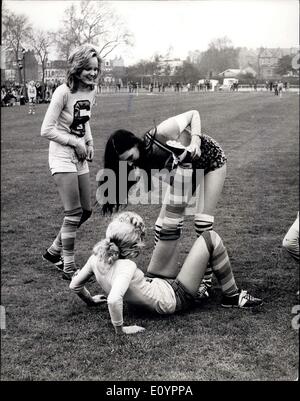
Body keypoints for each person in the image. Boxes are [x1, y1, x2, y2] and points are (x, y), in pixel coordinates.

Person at [69, 211, 263, 335]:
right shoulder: (126, 267)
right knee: (210, 238)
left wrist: (90, 300)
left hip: (153, 287)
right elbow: (113, 299)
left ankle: (181, 165)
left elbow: (75, 285)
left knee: (170, 225)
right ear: (133, 248)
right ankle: (232, 296)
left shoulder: (95, 258)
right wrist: (121, 329)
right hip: (175, 297)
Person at [100, 110, 227, 296]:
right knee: (162, 225)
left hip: (211, 162)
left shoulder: (161, 134)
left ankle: (206, 281)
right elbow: (177, 181)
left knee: (203, 223)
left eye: (129, 158)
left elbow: (194, 114)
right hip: (186, 174)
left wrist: (196, 141)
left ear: (136, 143)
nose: (129, 165)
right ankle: (164, 274)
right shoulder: (142, 163)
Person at [41, 44, 101, 280]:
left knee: (85, 211)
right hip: (61, 154)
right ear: (77, 68)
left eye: (96, 69)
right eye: (88, 69)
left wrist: (89, 143)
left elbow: (84, 120)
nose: (93, 73)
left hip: (79, 154)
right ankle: (68, 267)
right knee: (74, 212)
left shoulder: (91, 90)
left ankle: (54, 251)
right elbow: (46, 129)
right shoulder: (62, 92)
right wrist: (73, 143)